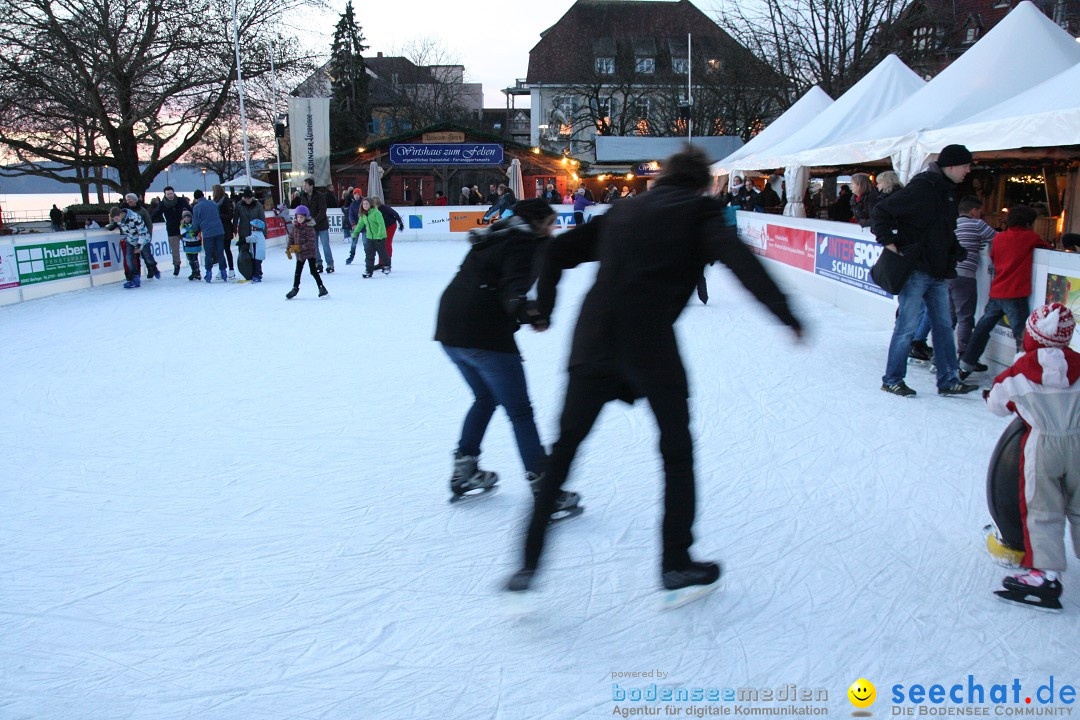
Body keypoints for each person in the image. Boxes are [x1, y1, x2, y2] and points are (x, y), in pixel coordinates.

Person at [506, 146, 804, 602]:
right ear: (703, 183)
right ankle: (676, 563)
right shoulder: (700, 211)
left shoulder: (624, 209)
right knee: (676, 452)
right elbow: (740, 261)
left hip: (594, 340)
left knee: (564, 451)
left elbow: (557, 252)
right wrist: (784, 313)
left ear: (664, 177)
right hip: (649, 346)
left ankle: (527, 563)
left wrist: (543, 307)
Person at [434, 199, 562, 502]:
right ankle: (544, 486)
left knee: (486, 397)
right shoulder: (523, 242)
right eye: (550, 223)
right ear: (537, 222)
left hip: (450, 331)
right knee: (519, 411)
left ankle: (465, 469)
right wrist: (530, 313)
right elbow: (513, 289)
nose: (553, 229)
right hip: (483, 334)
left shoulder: (495, 234)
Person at [984, 303, 1079, 611]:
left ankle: (1046, 577)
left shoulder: (1021, 372)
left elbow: (997, 403)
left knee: (1042, 510)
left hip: (1042, 448)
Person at [871, 143, 979, 397]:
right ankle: (892, 378)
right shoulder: (923, 187)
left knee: (942, 327)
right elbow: (881, 210)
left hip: (939, 271)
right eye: (965, 165)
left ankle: (948, 379)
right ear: (950, 166)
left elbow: (943, 230)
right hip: (918, 270)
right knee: (907, 327)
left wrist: (956, 251)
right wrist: (890, 243)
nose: (968, 171)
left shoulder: (948, 192)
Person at [960, 205, 1052, 378]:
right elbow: (1046, 247)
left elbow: (994, 257)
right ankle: (1024, 372)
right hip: (1015, 293)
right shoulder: (1029, 237)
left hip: (997, 292)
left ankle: (966, 364)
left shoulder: (999, 238)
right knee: (1022, 335)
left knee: (982, 328)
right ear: (1028, 222)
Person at [951, 196, 997, 360]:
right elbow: (999, 239)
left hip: (947, 274)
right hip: (964, 276)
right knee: (965, 317)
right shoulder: (977, 224)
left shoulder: (952, 223)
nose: (980, 215)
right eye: (980, 212)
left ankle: (940, 356)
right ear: (974, 211)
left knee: (949, 318)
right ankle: (964, 355)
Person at [284, 205, 328, 299]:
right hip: (300, 255)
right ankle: (295, 288)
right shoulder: (295, 227)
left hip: (310, 253)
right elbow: (291, 238)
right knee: (298, 272)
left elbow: (311, 243)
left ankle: (321, 287)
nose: (299, 219)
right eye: (298, 217)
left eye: (301, 217)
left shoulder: (309, 228)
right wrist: (288, 248)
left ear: (306, 217)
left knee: (313, 271)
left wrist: (299, 247)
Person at [107, 205, 153, 288]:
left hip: (141, 240)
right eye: (114, 219)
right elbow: (116, 225)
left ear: (120, 214)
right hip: (130, 240)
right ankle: (134, 279)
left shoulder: (134, 217)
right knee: (129, 259)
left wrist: (139, 245)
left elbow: (142, 231)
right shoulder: (120, 220)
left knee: (145, 257)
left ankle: (151, 271)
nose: (116, 221)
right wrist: (111, 225)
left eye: (116, 219)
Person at [152, 186, 191, 276]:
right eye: (168, 194)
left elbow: (189, 209)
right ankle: (176, 265)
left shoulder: (181, 200)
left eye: (171, 193)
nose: (170, 195)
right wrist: (149, 221)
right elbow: (157, 213)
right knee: (175, 249)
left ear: (174, 193)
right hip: (172, 228)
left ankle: (193, 264)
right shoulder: (162, 204)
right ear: (165, 195)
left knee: (189, 246)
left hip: (183, 227)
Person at [190, 188, 227, 283]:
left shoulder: (197, 207)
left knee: (208, 253)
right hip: (219, 231)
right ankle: (223, 272)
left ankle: (209, 272)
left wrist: (195, 230)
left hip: (207, 233)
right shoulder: (213, 203)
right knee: (220, 252)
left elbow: (195, 221)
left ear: (196, 198)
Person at [300, 177, 333, 273]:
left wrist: (315, 220)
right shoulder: (303, 196)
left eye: (305, 185)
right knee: (314, 246)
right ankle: (318, 263)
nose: (304, 187)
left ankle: (330, 264)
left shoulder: (320, 196)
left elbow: (322, 210)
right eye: (303, 185)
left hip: (321, 225)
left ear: (311, 186)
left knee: (325, 245)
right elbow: (302, 210)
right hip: (310, 226)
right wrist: (303, 220)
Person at [352, 197, 388, 278]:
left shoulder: (376, 213)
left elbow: (381, 224)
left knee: (382, 253)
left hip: (380, 237)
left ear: (370, 204)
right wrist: (355, 233)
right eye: (364, 204)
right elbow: (360, 224)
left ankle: (386, 266)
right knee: (369, 254)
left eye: (367, 204)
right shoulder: (363, 214)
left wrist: (379, 236)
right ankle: (368, 270)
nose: (365, 205)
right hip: (369, 237)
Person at [212, 185, 236, 278]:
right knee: (220, 250)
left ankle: (231, 269)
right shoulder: (214, 202)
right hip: (217, 229)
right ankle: (222, 269)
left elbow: (230, 216)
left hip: (226, 229)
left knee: (226, 249)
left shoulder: (226, 201)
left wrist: (219, 215)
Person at [373, 197, 403, 264]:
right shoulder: (373, 211)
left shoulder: (384, 208)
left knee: (386, 243)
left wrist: (400, 223)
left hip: (391, 226)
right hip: (382, 228)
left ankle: (387, 261)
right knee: (380, 245)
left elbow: (395, 214)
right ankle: (381, 263)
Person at [179, 210, 202, 281]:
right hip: (187, 245)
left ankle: (197, 272)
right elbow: (182, 233)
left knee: (195, 259)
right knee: (190, 259)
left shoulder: (194, 225)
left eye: (188, 217)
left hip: (194, 244)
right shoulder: (182, 226)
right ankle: (194, 271)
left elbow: (196, 232)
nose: (187, 219)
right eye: (185, 217)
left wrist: (190, 234)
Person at [345, 190, 364, 265]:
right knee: (353, 243)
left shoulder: (364, 202)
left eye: (358, 194)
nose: (356, 196)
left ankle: (368, 258)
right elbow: (351, 215)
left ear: (360, 195)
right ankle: (351, 257)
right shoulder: (352, 204)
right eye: (355, 194)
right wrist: (353, 224)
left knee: (366, 243)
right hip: (356, 227)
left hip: (364, 226)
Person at [246, 218, 267, 282]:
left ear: (255, 228)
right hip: (260, 253)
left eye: (252, 226)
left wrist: (244, 239)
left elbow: (251, 239)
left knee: (256, 265)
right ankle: (259, 274)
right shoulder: (260, 234)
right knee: (258, 264)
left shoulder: (256, 234)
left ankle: (258, 276)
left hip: (257, 254)